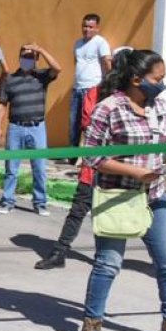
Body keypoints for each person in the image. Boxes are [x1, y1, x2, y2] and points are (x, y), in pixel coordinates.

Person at [77, 49, 166, 331]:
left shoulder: (159, 107)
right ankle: (92, 324)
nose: (162, 85)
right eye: (158, 79)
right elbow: (91, 156)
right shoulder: (108, 108)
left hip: (154, 196)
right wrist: (136, 172)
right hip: (118, 197)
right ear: (136, 79)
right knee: (108, 264)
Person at [34, 86, 102, 271]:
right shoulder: (97, 93)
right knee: (78, 211)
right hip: (94, 168)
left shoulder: (136, 100)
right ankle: (60, 252)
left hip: (121, 171)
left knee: (107, 213)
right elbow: (88, 123)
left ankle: (104, 255)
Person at [0, 43, 61, 216]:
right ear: (19, 57)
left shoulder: (42, 76)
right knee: (11, 168)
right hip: (15, 127)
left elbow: (57, 68)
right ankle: (8, 201)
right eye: (24, 56)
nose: (27, 60)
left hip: (37, 127)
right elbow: (2, 104)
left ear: (36, 59)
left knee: (39, 168)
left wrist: (41, 49)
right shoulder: (9, 79)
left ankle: (40, 202)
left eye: (31, 57)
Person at [71, 13, 112, 147]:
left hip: (92, 88)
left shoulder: (100, 42)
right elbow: (76, 62)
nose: (86, 29)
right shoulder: (77, 43)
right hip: (77, 87)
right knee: (73, 122)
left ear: (97, 28)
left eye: (90, 26)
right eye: (84, 26)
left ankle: (88, 154)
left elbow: (107, 62)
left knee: (89, 122)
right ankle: (72, 155)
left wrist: (108, 82)